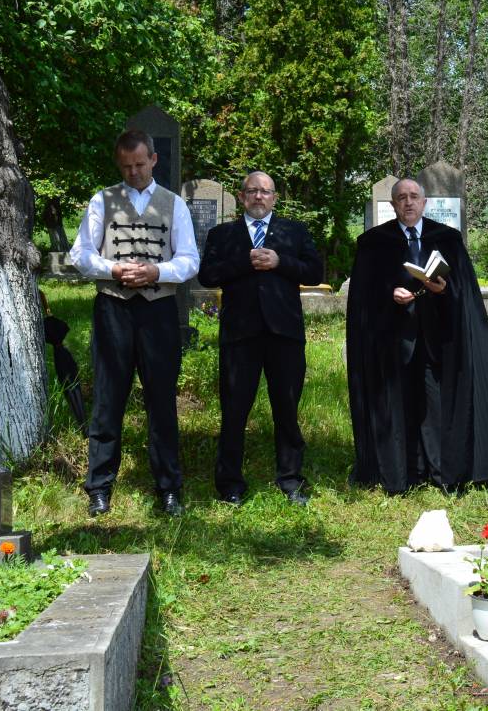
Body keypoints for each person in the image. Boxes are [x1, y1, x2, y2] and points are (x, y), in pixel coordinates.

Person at [346, 178, 488, 493]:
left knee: (436, 408)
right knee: (398, 408)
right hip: (392, 341)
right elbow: (362, 297)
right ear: (394, 204)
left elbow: (463, 293)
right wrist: (390, 293)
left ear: (424, 203)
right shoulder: (374, 242)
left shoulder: (447, 239)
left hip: (439, 340)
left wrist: (442, 289)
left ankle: (443, 475)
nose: (408, 202)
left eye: (414, 197)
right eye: (401, 198)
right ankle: (402, 477)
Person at [69, 130, 199, 517]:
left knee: (161, 401)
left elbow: (190, 260)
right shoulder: (102, 200)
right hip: (113, 308)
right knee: (108, 399)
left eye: (140, 165)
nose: (133, 172)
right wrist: (113, 267)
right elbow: (81, 254)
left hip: (158, 311)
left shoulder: (173, 204)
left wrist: (156, 270)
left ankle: (169, 487)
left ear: (154, 160)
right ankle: (100, 487)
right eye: (126, 167)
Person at [198, 171, 324, 507]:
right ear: (241, 197)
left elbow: (315, 272)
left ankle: (291, 480)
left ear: (275, 198)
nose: (258, 197)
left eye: (265, 192)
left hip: (285, 333)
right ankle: (230, 485)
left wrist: (281, 261)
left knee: (286, 409)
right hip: (240, 335)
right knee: (235, 411)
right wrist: (244, 262)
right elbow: (207, 274)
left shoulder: (293, 231)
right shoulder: (222, 234)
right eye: (252, 191)